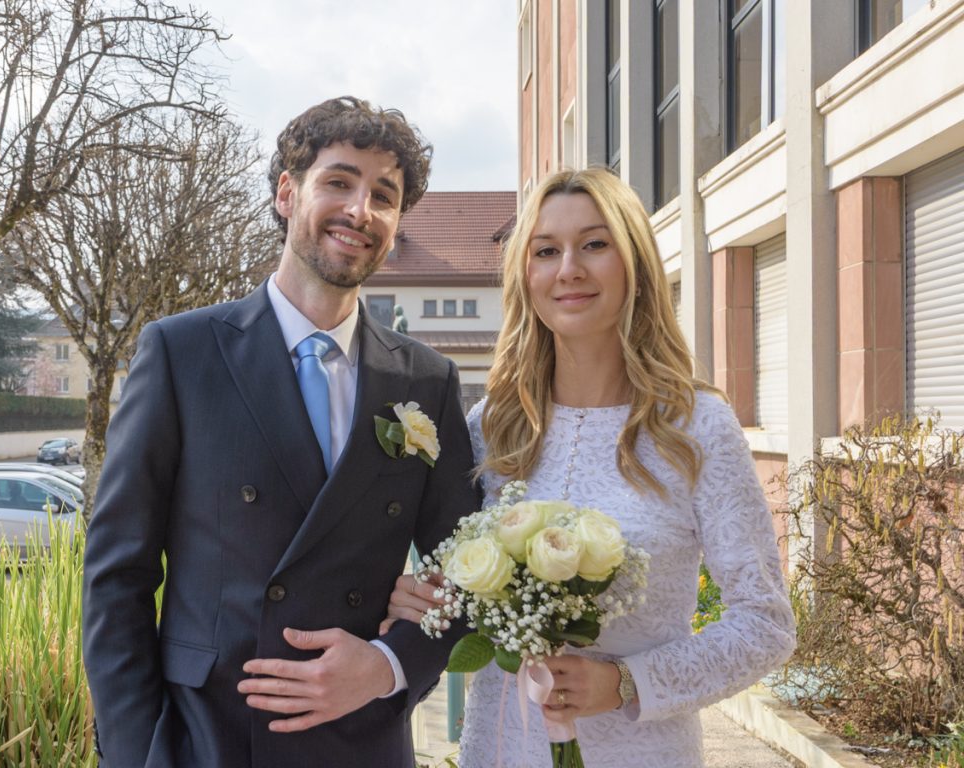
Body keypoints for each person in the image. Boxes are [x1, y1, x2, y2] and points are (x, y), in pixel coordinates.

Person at [82, 96, 479, 768]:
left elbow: (468, 571)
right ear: (287, 192)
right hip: (207, 737)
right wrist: (136, 753)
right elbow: (118, 576)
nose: (360, 211)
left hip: (364, 740)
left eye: (384, 195)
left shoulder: (426, 380)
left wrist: (387, 666)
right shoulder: (182, 353)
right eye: (339, 182)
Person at [384, 168, 796, 767]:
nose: (568, 269)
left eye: (595, 245)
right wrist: (422, 600)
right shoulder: (493, 424)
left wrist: (625, 683)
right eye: (546, 251)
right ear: (525, 276)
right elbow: (459, 591)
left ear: (635, 263)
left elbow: (765, 625)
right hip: (498, 747)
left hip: (643, 752)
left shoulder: (695, 427)